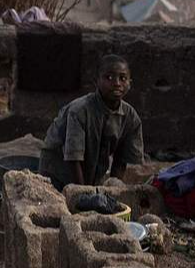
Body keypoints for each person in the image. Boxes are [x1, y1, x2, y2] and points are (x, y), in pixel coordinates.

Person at [38, 54, 146, 189]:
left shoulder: (131, 117)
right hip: (58, 172)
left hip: (92, 173)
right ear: (97, 81)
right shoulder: (79, 111)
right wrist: (82, 192)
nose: (117, 83)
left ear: (130, 82)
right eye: (109, 78)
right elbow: (73, 158)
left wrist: (111, 190)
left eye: (123, 78)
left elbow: (121, 160)